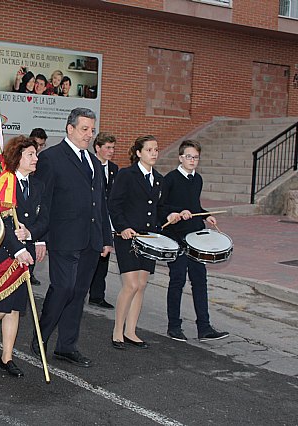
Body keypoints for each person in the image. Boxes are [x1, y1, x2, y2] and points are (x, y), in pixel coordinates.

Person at [31, 108, 113, 366]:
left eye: (91, 129)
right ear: (70, 129)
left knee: (79, 293)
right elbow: (42, 201)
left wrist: (105, 238)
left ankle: (66, 346)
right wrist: (40, 238)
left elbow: (99, 202)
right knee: (63, 288)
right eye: (84, 129)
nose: (89, 135)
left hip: (90, 240)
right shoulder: (51, 158)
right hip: (63, 238)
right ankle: (41, 338)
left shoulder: (93, 162)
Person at [0, 136, 47, 377]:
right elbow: (0, 222)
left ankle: (6, 357)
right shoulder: (5, 182)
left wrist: (32, 233)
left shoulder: (39, 186)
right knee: (0, 307)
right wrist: (18, 248)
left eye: (35, 154)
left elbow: (44, 217)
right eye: (30, 154)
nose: (36, 158)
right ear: (18, 158)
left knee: (15, 309)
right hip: (6, 254)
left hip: (26, 252)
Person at [159, 140, 230, 343]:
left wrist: (206, 215)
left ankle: (204, 327)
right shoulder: (170, 179)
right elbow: (161, 207)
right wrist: (176, 213)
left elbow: (194, 205)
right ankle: (174, 326)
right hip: (177, 236)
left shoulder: (197, 179)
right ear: (180, 157)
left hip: (196, 238)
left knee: (200, 281)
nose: (192, 160)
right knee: (178, 280)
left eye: (195, 157)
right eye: (189, 156)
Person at [108, 135, 162, 350]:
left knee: (141, 285)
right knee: (130, 285)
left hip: (148, 239)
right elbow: (114, 204)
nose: (154, 153)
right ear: (138, 153)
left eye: (156, 150)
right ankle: (117, 331)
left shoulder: (159, 178)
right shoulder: (126, 175)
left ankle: (131, 331)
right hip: (127, 237)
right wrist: (122, 227)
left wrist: (172, 216)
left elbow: (159, 208)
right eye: (149, 150)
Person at [88, 132, 119, 309]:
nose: (111, 151)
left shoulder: (114, 169)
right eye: (107, 147)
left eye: (113, 148)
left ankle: (97, 295)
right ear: (97, 148)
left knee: (104, 259)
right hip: (93, 218)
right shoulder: (90, 165)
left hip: (107, 220)